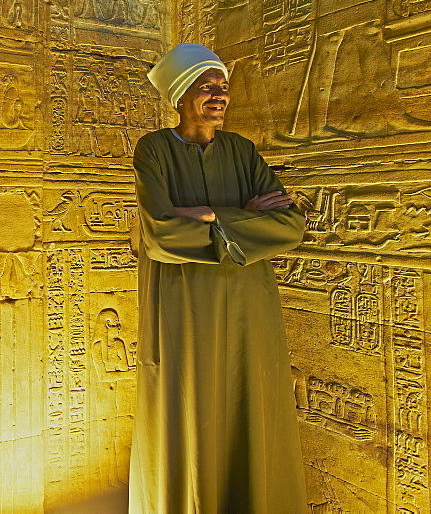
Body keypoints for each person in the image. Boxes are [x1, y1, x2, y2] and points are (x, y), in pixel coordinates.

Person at [127, 43, 307, 512]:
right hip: (184, 301)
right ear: (180, 96)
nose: (218, 95)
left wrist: (208, 215)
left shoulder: (243, 152)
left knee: (250, 397)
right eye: (206, 86)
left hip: (251, 304)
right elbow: (161, 235)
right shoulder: (154, 150)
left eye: (223, 87)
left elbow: (289, 227)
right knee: (190, 405)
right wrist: (243, 219)